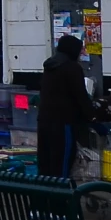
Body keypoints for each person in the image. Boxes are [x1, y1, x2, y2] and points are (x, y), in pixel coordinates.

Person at [37, 33, 94, 180]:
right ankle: (60, 200)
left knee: (46, 163)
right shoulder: (72, 68)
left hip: (44, 121)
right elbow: (81, 96)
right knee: (62, 163)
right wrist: (92, 117)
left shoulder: (49, 66)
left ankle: (44, 198)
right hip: (64, 123)